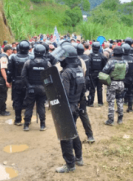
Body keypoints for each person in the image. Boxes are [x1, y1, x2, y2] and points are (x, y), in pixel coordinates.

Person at [56, 45, 85, 173]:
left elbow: (64, 94)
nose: (60, 60)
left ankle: (70, 165)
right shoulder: (79, 69)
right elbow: (83, 91)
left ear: (67, 59)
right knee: (74, 132)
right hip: (75, 106)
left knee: (65, 136)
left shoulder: (66, 73)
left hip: (67, 107)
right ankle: (79, 158)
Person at [21, 44, 51, 131]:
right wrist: (45, 86)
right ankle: (42, 125)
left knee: (29, 106)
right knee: (41, 106)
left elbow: (23, 76)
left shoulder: (28, 62)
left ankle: (26, 125)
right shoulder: (47, 63)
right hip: (42, 89)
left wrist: (28, 86)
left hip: (31, 88)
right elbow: (50, 77)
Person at [102, 46, 128, 125]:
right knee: (120, 101)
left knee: (111, 102)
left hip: (112, 83)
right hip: (121, 83)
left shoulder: (111, 62)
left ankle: (111, 120)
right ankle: (120, 119)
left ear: (114, 53)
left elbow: (104, 71)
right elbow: (126, 71)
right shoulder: (125, 62)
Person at [8, 40, 31, 126]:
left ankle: (18, 119)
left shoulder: (13, 57)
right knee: (28, 100)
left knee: (17, 101)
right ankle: (27, 119)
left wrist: (9, 80)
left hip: (17, 82)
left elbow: (10, 71)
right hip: (28, 82)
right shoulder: (31, 57)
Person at [88, 42, 107, 107]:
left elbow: (88, 66)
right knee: (99, 88)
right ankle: (100, 102)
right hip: (100, 74)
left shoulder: (90, 56)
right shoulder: (102, 56)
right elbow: (105, 66)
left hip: (92, 74)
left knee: (92, 88)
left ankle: (91, 103)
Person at [0, 44, 12, 116]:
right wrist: (6, 80)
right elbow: (3, 69)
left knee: (0, 94)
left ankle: (1, 108)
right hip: (1, 78)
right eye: (11, 49)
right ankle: (2, 111)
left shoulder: (0, 56)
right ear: (8, 50)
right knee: (2, 95)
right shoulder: (4, 57)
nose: (12, 51)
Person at [122, 44, 133, 112]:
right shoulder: (132, 58)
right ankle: (130, 108)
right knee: (130, 93)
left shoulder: (120, 58)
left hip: (122, 78)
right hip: (130, 78)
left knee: (120, 94)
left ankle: (120, 108)